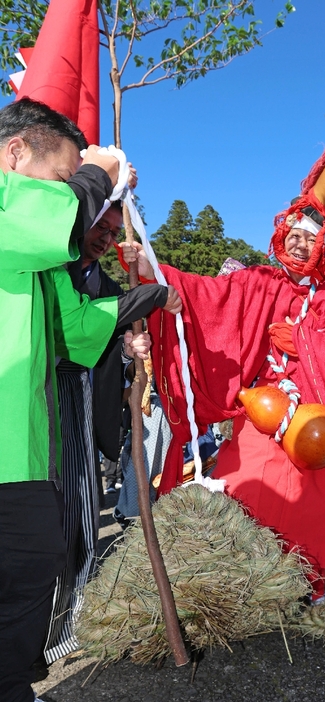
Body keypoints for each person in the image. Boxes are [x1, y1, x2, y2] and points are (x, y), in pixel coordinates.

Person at [0, 98, 181, 702]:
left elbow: (76, 333)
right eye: (61, 177)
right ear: (14, 153)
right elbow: (50, 219)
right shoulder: (13, 211)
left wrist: (149, 298)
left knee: (30, 581)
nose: (69, 196)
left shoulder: (40, 252)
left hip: (24, 458)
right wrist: (97, 173)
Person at [121, 194, 325, 602]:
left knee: (310, 503)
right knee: (248, 492)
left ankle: (304, 582)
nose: (299, 244)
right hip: (261, 414)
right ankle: (249, 583)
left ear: (323, 244)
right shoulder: (257, 282)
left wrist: (306, 342)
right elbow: (206, 297)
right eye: (292, 235)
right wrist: (151, 268)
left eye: (309, 239)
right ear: (280, 235)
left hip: (314, 424)